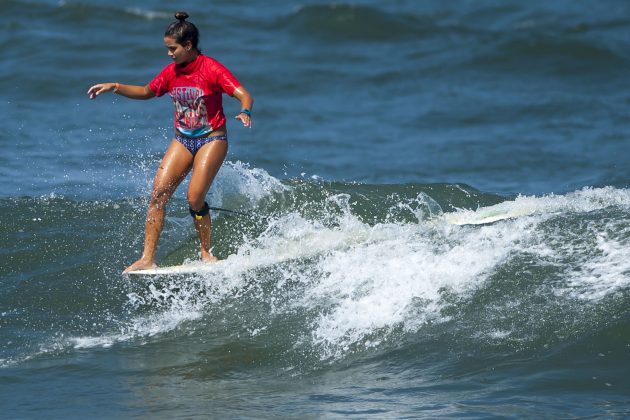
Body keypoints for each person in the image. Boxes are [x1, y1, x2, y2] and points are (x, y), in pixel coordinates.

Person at [87, 11, 253, 273]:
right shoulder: (171, 72)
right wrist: (115, 86)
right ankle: (147, 258)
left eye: (172, 48)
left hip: (212, 138)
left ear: (188, 46)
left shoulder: (212, 69)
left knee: (194, 198)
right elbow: (146, 91)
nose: (169, 54)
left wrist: (245, 111)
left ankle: (206, 253)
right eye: (167, 48)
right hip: (183, 139)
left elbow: (243, 94)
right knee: (158, 197)